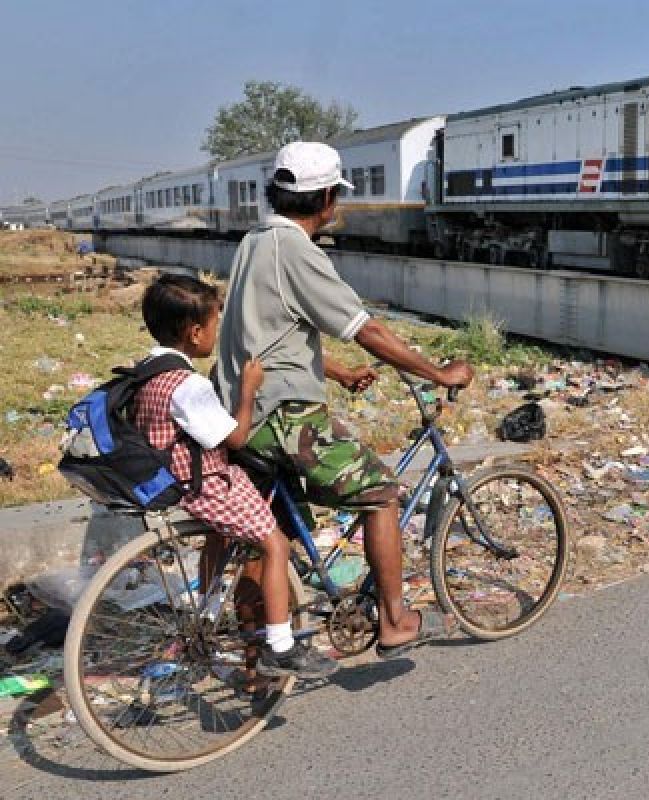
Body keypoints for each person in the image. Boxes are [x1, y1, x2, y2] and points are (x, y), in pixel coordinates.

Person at [215, 141, 473, 659]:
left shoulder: (253, 242)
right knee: (383, 494)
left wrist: (333, 371)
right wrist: (438, 371)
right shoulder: (298, 251)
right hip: (286, 421)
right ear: (327, 197)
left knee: (270, 538)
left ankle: (255, 659)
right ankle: (396, 621)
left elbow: (268, 336)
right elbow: (366, 329)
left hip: (241, 417)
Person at [135, 274, 337, 678]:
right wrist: (248, 390)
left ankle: (208, 611)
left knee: (217, 538)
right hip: (207, 483)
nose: (217, 333)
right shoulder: (188, 385)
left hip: (172, 481)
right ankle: (280, 644)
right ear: (195, 333)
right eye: (214, 325)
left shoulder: (149, 369)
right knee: (275, 546)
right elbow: (239, 436)